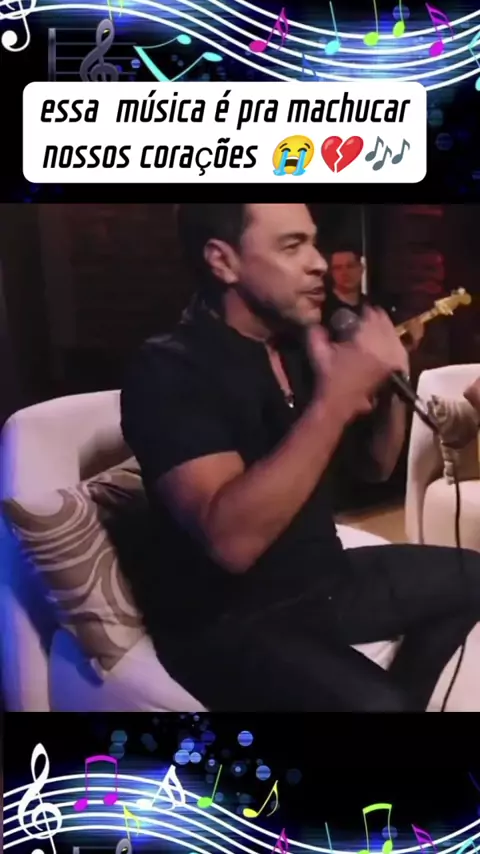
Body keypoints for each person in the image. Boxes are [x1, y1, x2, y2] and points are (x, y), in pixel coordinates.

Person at [121, 203, 479, 712]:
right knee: (378, 706)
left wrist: (393, 381)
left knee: (474, 577)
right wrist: (333, 403)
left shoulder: (298, 347)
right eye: (292, 246)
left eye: (312, 241)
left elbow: (374, 467)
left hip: (322, 579)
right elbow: (231, 542)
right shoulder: (170, 369)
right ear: (223, 261)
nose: (319, 262)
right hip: (229, 617)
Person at [323, 244, 424, 351]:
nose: (344, 273)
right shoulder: (322, 309)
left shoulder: (376, 308)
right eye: (338, 268)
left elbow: (385, 353)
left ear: (361, 268)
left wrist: (412, 342)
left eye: (350, 266)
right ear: (331, 273)